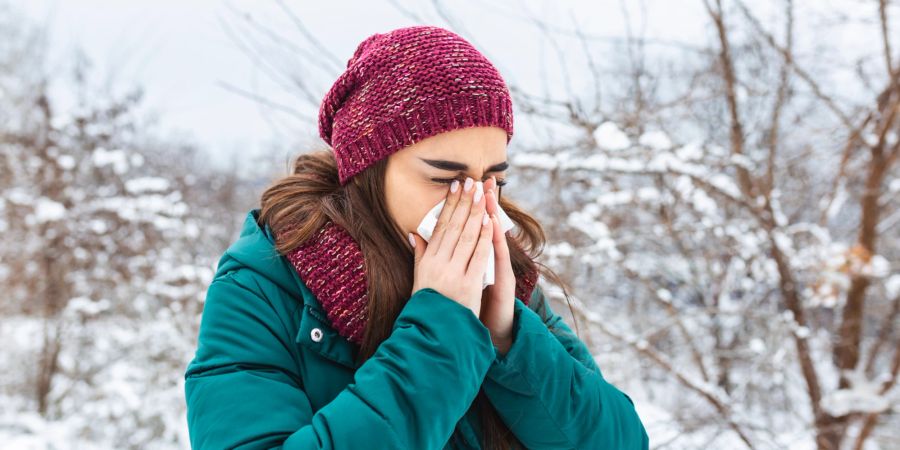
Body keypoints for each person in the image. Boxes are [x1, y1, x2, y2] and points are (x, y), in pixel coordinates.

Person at [183, 24, 649, 449]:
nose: (477, 206)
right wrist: (439, 333)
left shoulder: (506, 281)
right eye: (446, 179)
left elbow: (620, 441)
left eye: (494, 181)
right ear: (367, 171)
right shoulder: (264, 285)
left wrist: (508, 338)